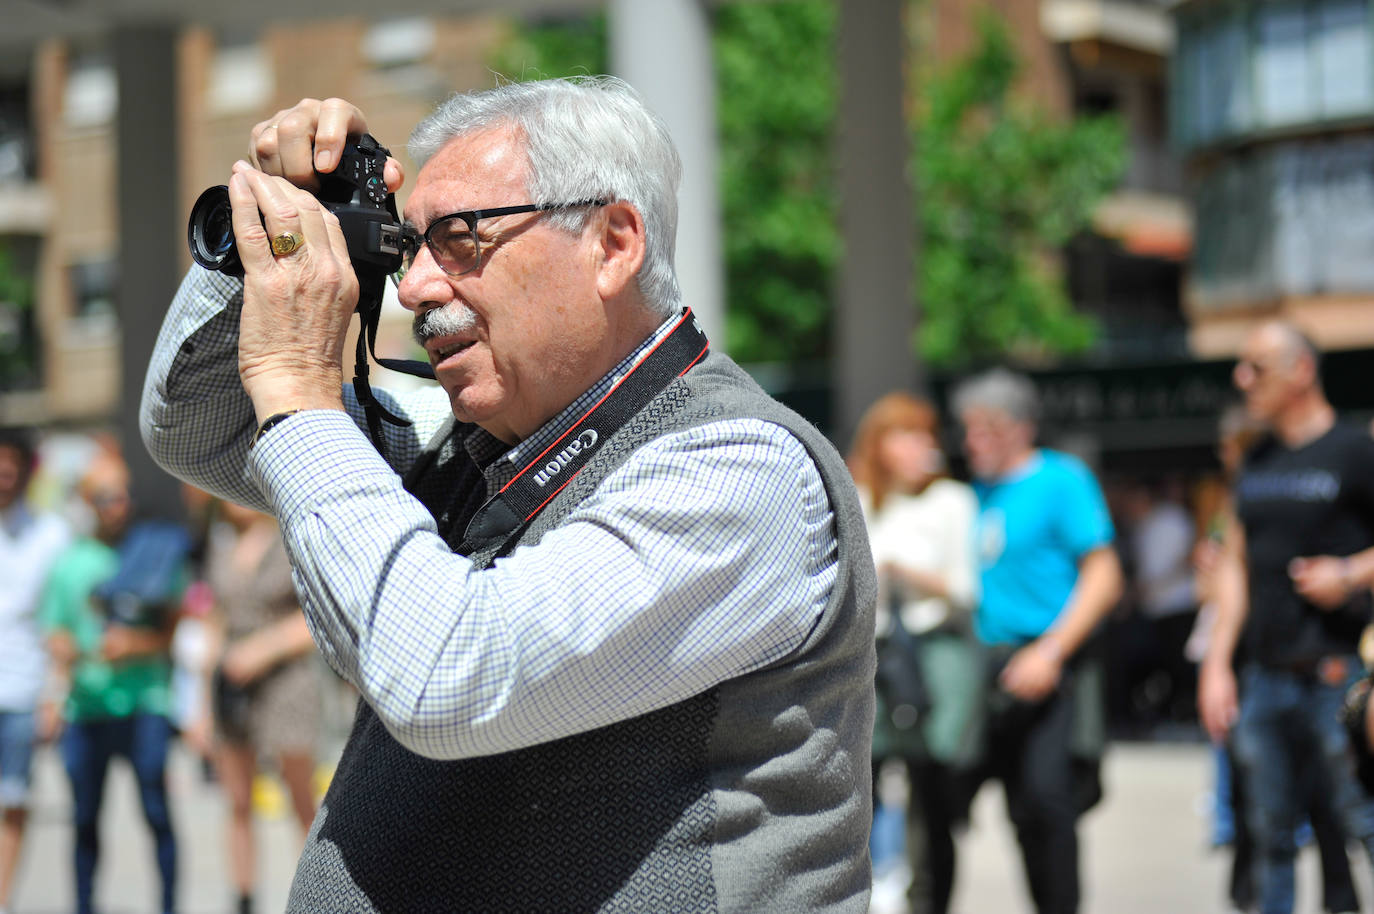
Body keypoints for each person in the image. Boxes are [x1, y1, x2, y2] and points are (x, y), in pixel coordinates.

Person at [141, 77, 876, 913]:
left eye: (458, 239)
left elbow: (447, 676)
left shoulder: (742, 468)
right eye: (409, 244)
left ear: (612, 242)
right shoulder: (478, 438)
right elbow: (196, 426)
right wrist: (270, 231)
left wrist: (299, 385)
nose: (415, 286)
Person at [1198, 321, 1374, 914]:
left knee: (1361, 819)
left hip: (1340, 671)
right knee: (1268, 835)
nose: (1242, 380)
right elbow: (1236, 566)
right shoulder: (1257, 460)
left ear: (1302, 371)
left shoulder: (1355, 450)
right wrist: (1218, 665)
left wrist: (1348, 574)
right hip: (1265, 676)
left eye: (1256, 368)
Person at [951, 368, 1123, 914]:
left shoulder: (1061, 479)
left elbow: (1104, 575)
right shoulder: (973, 491)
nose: (970, 442)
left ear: (1017, 428)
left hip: (1046, 664)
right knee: (949, 800)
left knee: (1046, 806)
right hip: (982, 667)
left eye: (981, 430)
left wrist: (1051, 650)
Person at [848, 393, 978, 914]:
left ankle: (929, 901)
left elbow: (967, 589)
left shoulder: (951, 501)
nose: (919, 445)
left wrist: (903, 572)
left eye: (925, 435)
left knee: (934, 796)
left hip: (933, 660)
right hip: (869, 661)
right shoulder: (858, 496)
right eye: (906, 434)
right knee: (862, 789)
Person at [40, 450, 181, 914]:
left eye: (123, 495)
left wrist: (133, 646)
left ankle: (167, 904)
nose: (117, 506)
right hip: (87, 707)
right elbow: (55, 631)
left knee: (156, 813)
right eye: (105, 497)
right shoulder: (69, 564)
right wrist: (61, 661)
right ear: (86, 502)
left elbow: (172, 635)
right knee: (83, 820)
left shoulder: (156, 549)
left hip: (146, 703)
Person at [201, 499, 320, 914]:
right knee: (236, 800)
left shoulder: (290, 536)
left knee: (299, 796)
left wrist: (261, 650)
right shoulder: (219, 542)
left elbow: (317, 616)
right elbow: (214, 620)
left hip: (285, 678)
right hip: (231, 684)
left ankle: (319, 893)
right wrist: (200, 704)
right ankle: (244, 898)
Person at [0, 429, 71, 914]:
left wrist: (55, 695)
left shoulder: (52, 535)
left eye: (12, 464)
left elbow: (63, 625)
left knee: (12, 804)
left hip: (23, 690)